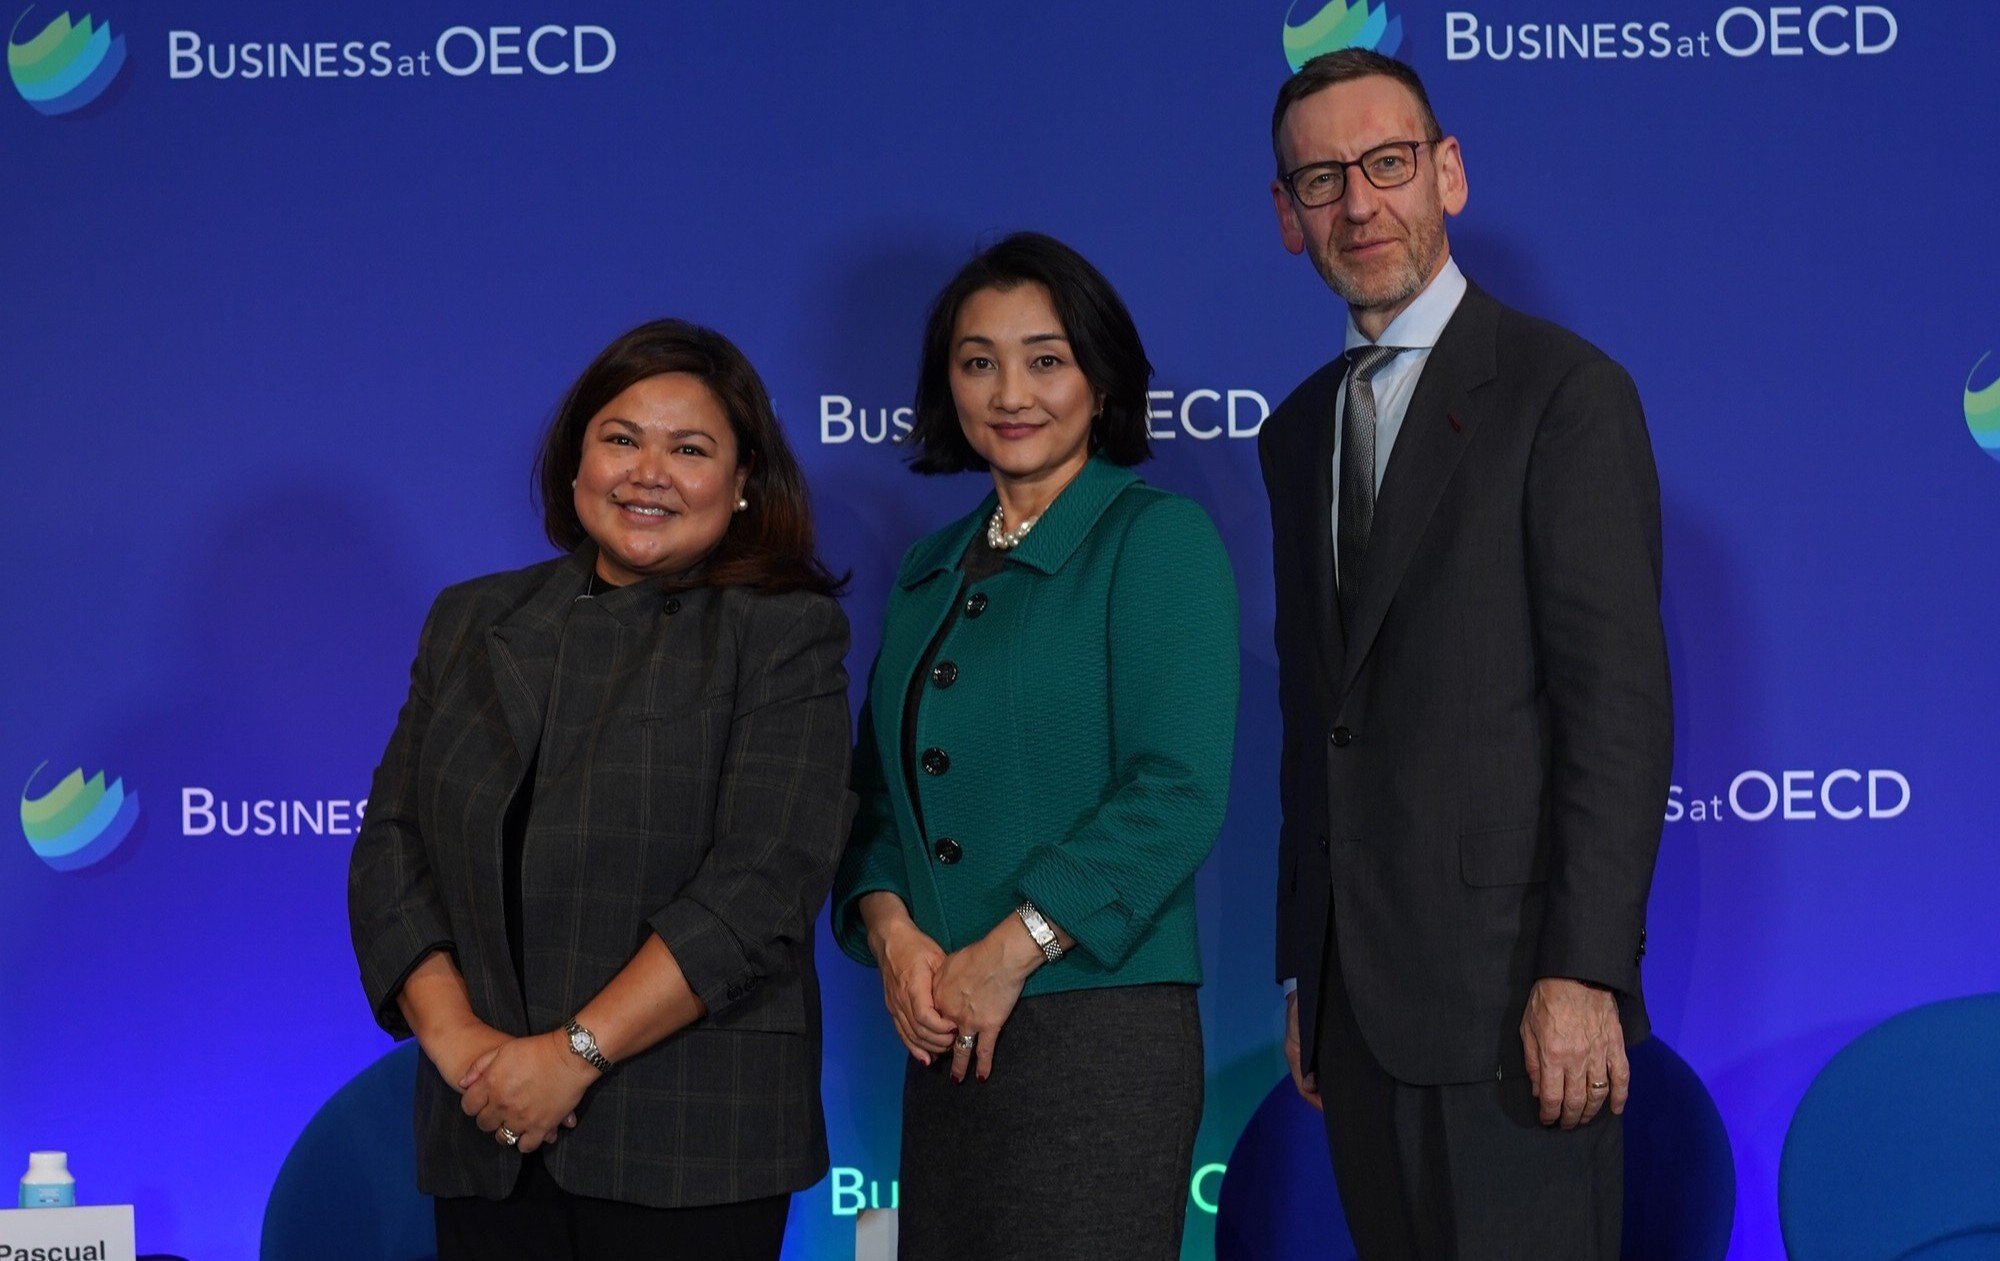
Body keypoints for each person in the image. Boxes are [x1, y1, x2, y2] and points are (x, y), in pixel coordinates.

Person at [1259, 50, 1674, 1259]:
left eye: (1386, 164)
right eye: (1321, 179)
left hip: (1515, 1000)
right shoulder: (1293, 433)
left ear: (1446, 171)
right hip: (1356, 1012)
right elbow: (1315, 723)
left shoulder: (1563, 393)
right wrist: (1306, 970)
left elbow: (1616, 709)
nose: (1359, 204)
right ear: (1286, 217)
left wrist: (1582, 971)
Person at [347, 319, 852, 1261]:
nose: (647, 471)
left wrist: (571, 1054)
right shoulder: (472, 619)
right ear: (574, 461)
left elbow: (763, 880)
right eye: (621, 438)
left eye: (690, 448)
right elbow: (393, 843)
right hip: (487, 1128)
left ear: (744, 484)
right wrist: (464, 1048)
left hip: (689, 1147)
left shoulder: (782, 633)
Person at [831, 231, 1238, 1259]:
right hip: (946, 1035)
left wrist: (1010, 953)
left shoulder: (1156, 539)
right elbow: (876, 804)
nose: (1009, 391)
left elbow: (1175, 792)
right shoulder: (929, 570)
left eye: (1044, 358)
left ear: (1099, 381)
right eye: (978, 362)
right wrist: (893, 939)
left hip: (1095, 1035)